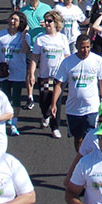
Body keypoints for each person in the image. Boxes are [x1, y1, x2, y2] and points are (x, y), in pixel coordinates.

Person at [52, 34, 102, 151]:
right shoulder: (67, 62)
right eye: (83, 47)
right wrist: (53, 104)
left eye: (88, 47)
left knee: (91, 137)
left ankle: (90, 161)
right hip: (73, 109)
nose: (86, 50)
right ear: (77, 46)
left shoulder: (97, 60)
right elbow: (60, 84)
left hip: (91, 108)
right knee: (78, 138)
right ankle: (80, 160)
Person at [29, 9, 69, 138]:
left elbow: (67, 56)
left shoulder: (62, 38)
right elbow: (35, 57)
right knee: (45, 100)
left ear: (56, 22)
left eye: (49, 21)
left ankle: (55, 127)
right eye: (46, 21)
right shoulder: (40, 39)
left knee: (56, 101)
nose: (47, 23)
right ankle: (45, 114)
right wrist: (31, 73)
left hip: (58, 77)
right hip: (45, 76)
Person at [0, 11, 28, 136]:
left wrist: (23, 35)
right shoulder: (0, 35)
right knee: (4, 97)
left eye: (16, 20)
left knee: (16, 98)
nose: (12, 22)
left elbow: (25, 50)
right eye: (11, 19)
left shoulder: (23, 36)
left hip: (18, 71)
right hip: (3, 71)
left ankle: (14, 124)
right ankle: (5, 118)